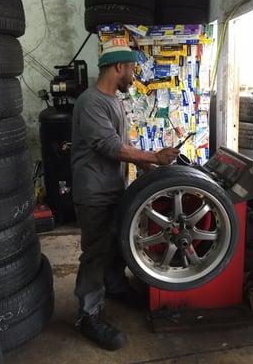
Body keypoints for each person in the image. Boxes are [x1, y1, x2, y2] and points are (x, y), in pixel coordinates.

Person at [71, 37, 179, 351]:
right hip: (93, 191)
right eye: (132, 68)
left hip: (113, 187)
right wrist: (153, 158)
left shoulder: (115, 101)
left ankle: (115, 287)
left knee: (117, 243)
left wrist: (148, 169)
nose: (135, 74)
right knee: (95, 252)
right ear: (119, 67)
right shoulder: (90, 102)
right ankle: (88, 314)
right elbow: (109, 147)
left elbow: (124, 146)